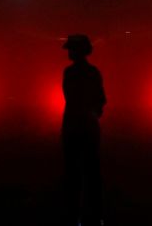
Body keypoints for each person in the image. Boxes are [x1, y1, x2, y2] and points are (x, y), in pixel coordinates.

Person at [61, 34, 106, 226]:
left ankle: (76, 212)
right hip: (87, 126)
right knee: (90, 171)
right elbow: (101, 98)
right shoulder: (93, 72)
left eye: (71, 49)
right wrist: (94, 114)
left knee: (74, 172)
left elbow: (70, 97)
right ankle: (93, 212)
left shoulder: (70, 73)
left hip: (73, 125)